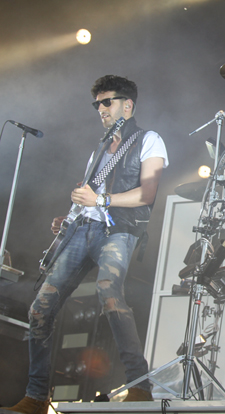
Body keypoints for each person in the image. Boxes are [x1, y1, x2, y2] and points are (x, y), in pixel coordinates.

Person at [8, 75, 168, 412]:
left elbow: (147, 194)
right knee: (40, 308)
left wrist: (101, 200)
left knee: (108, 291)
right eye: (97, 103)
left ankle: (140, 385)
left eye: (107, 101)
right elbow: (88, 198)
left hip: (119, 230)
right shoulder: (99, 148)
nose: (101, 109)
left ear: (128, 104)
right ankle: (37, 395)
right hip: (82, 229)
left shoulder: (149, 139)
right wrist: (67, 220)